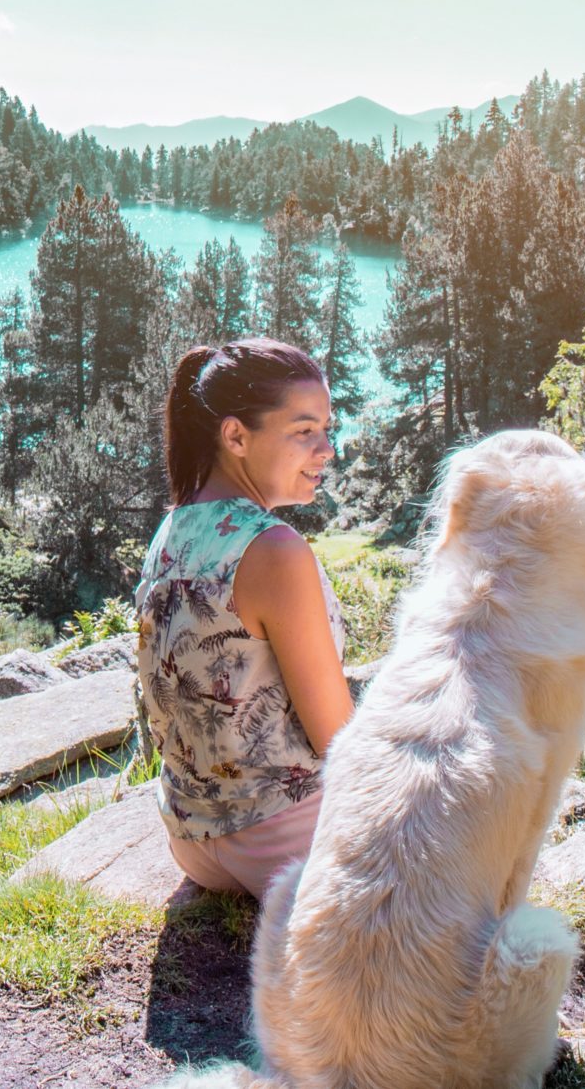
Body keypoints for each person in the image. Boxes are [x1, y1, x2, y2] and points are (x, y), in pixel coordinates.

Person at [135, 338, 350, 900]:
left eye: (327, 428)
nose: (326, 449)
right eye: (304, 431)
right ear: (235, 436)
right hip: (284, 840)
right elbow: (339, 740)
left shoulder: (172, 531)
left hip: (192, 837)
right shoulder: (274, 550)